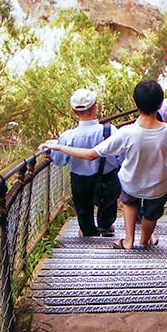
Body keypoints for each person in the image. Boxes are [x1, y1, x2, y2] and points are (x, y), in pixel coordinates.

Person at [41, 81, 167, 250]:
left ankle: (128, 241)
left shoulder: (126, 132)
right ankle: (144, 241)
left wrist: (58, 146)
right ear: (160, 104)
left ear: (135, 103)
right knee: (151, 214)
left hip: (131, 181)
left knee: (129, 202)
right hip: (158, 185)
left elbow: (91, 154)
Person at [46, 88, 121, 237]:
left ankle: (88, 232)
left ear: (73, 111)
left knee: (83, 208)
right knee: (108, 203)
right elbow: (120, 156)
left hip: (80, 179)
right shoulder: (110, 130)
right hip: (107, 176)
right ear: (95, 107)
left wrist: (51, 154)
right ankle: (105, 225)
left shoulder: (68, 137)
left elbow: (60, 161)